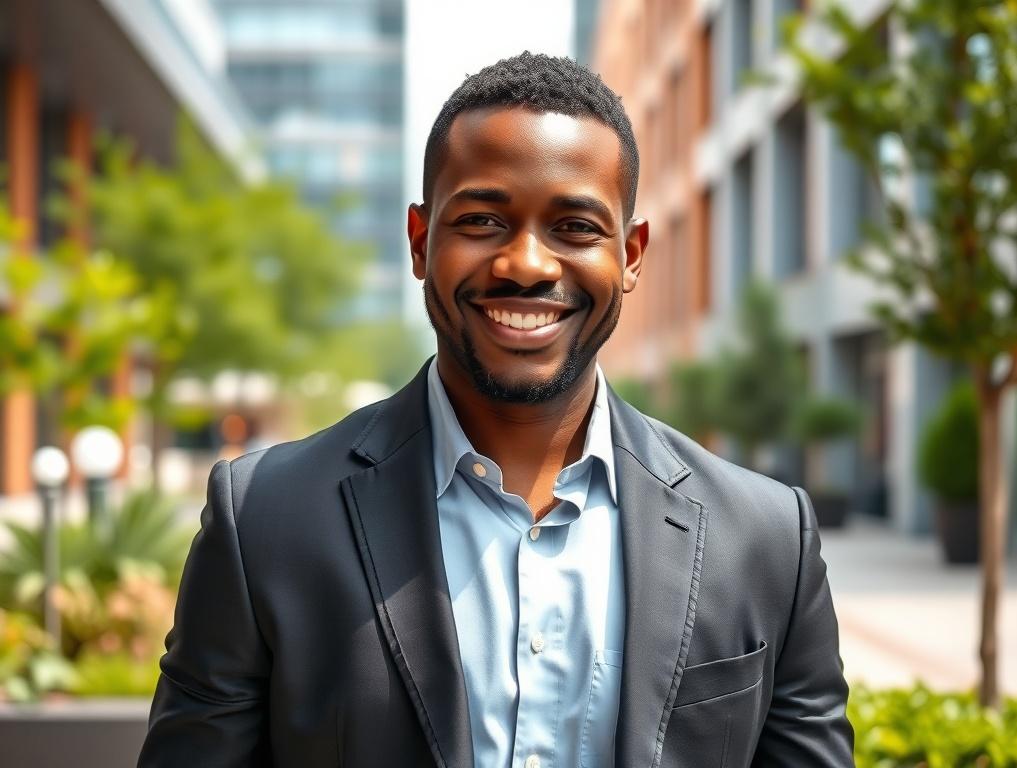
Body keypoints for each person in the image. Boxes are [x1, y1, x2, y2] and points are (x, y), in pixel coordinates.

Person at [139, 52, 854, 768]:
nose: (526, 264)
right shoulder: (265, 519)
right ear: (421, 241)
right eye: (482, 220)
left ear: (631, 254)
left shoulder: (765, 539)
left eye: (575, 227)